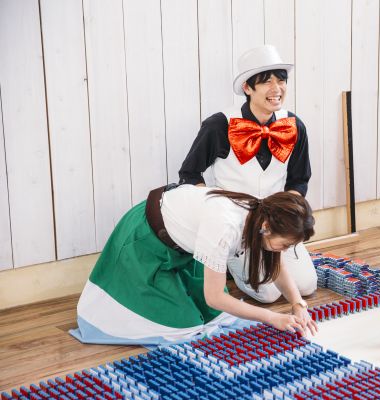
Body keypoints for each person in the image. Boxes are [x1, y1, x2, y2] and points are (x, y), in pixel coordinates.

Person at [70, 184, 317, 346]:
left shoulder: (264, 214)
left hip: (184, 251)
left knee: (212, 317)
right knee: (183, 325)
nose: (284, 251)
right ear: (267, 228)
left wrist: (298, 304)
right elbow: (215, 297)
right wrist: (271, 317)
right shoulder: (225, 226)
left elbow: (276, 265)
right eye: (285, 244)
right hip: (146, 242)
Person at [178, 44, 317, 303]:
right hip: (238, 227)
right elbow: (189, 174)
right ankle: (230, 263)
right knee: (268, 294)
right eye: (266, 81)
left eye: (281, 80)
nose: (276, 88)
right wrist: (218, 212)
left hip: (278, 226)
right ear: (247, 87)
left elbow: (299, 179)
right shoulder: (219, 125)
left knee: (307, 286)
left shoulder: (293, 125)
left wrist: (286, 218)